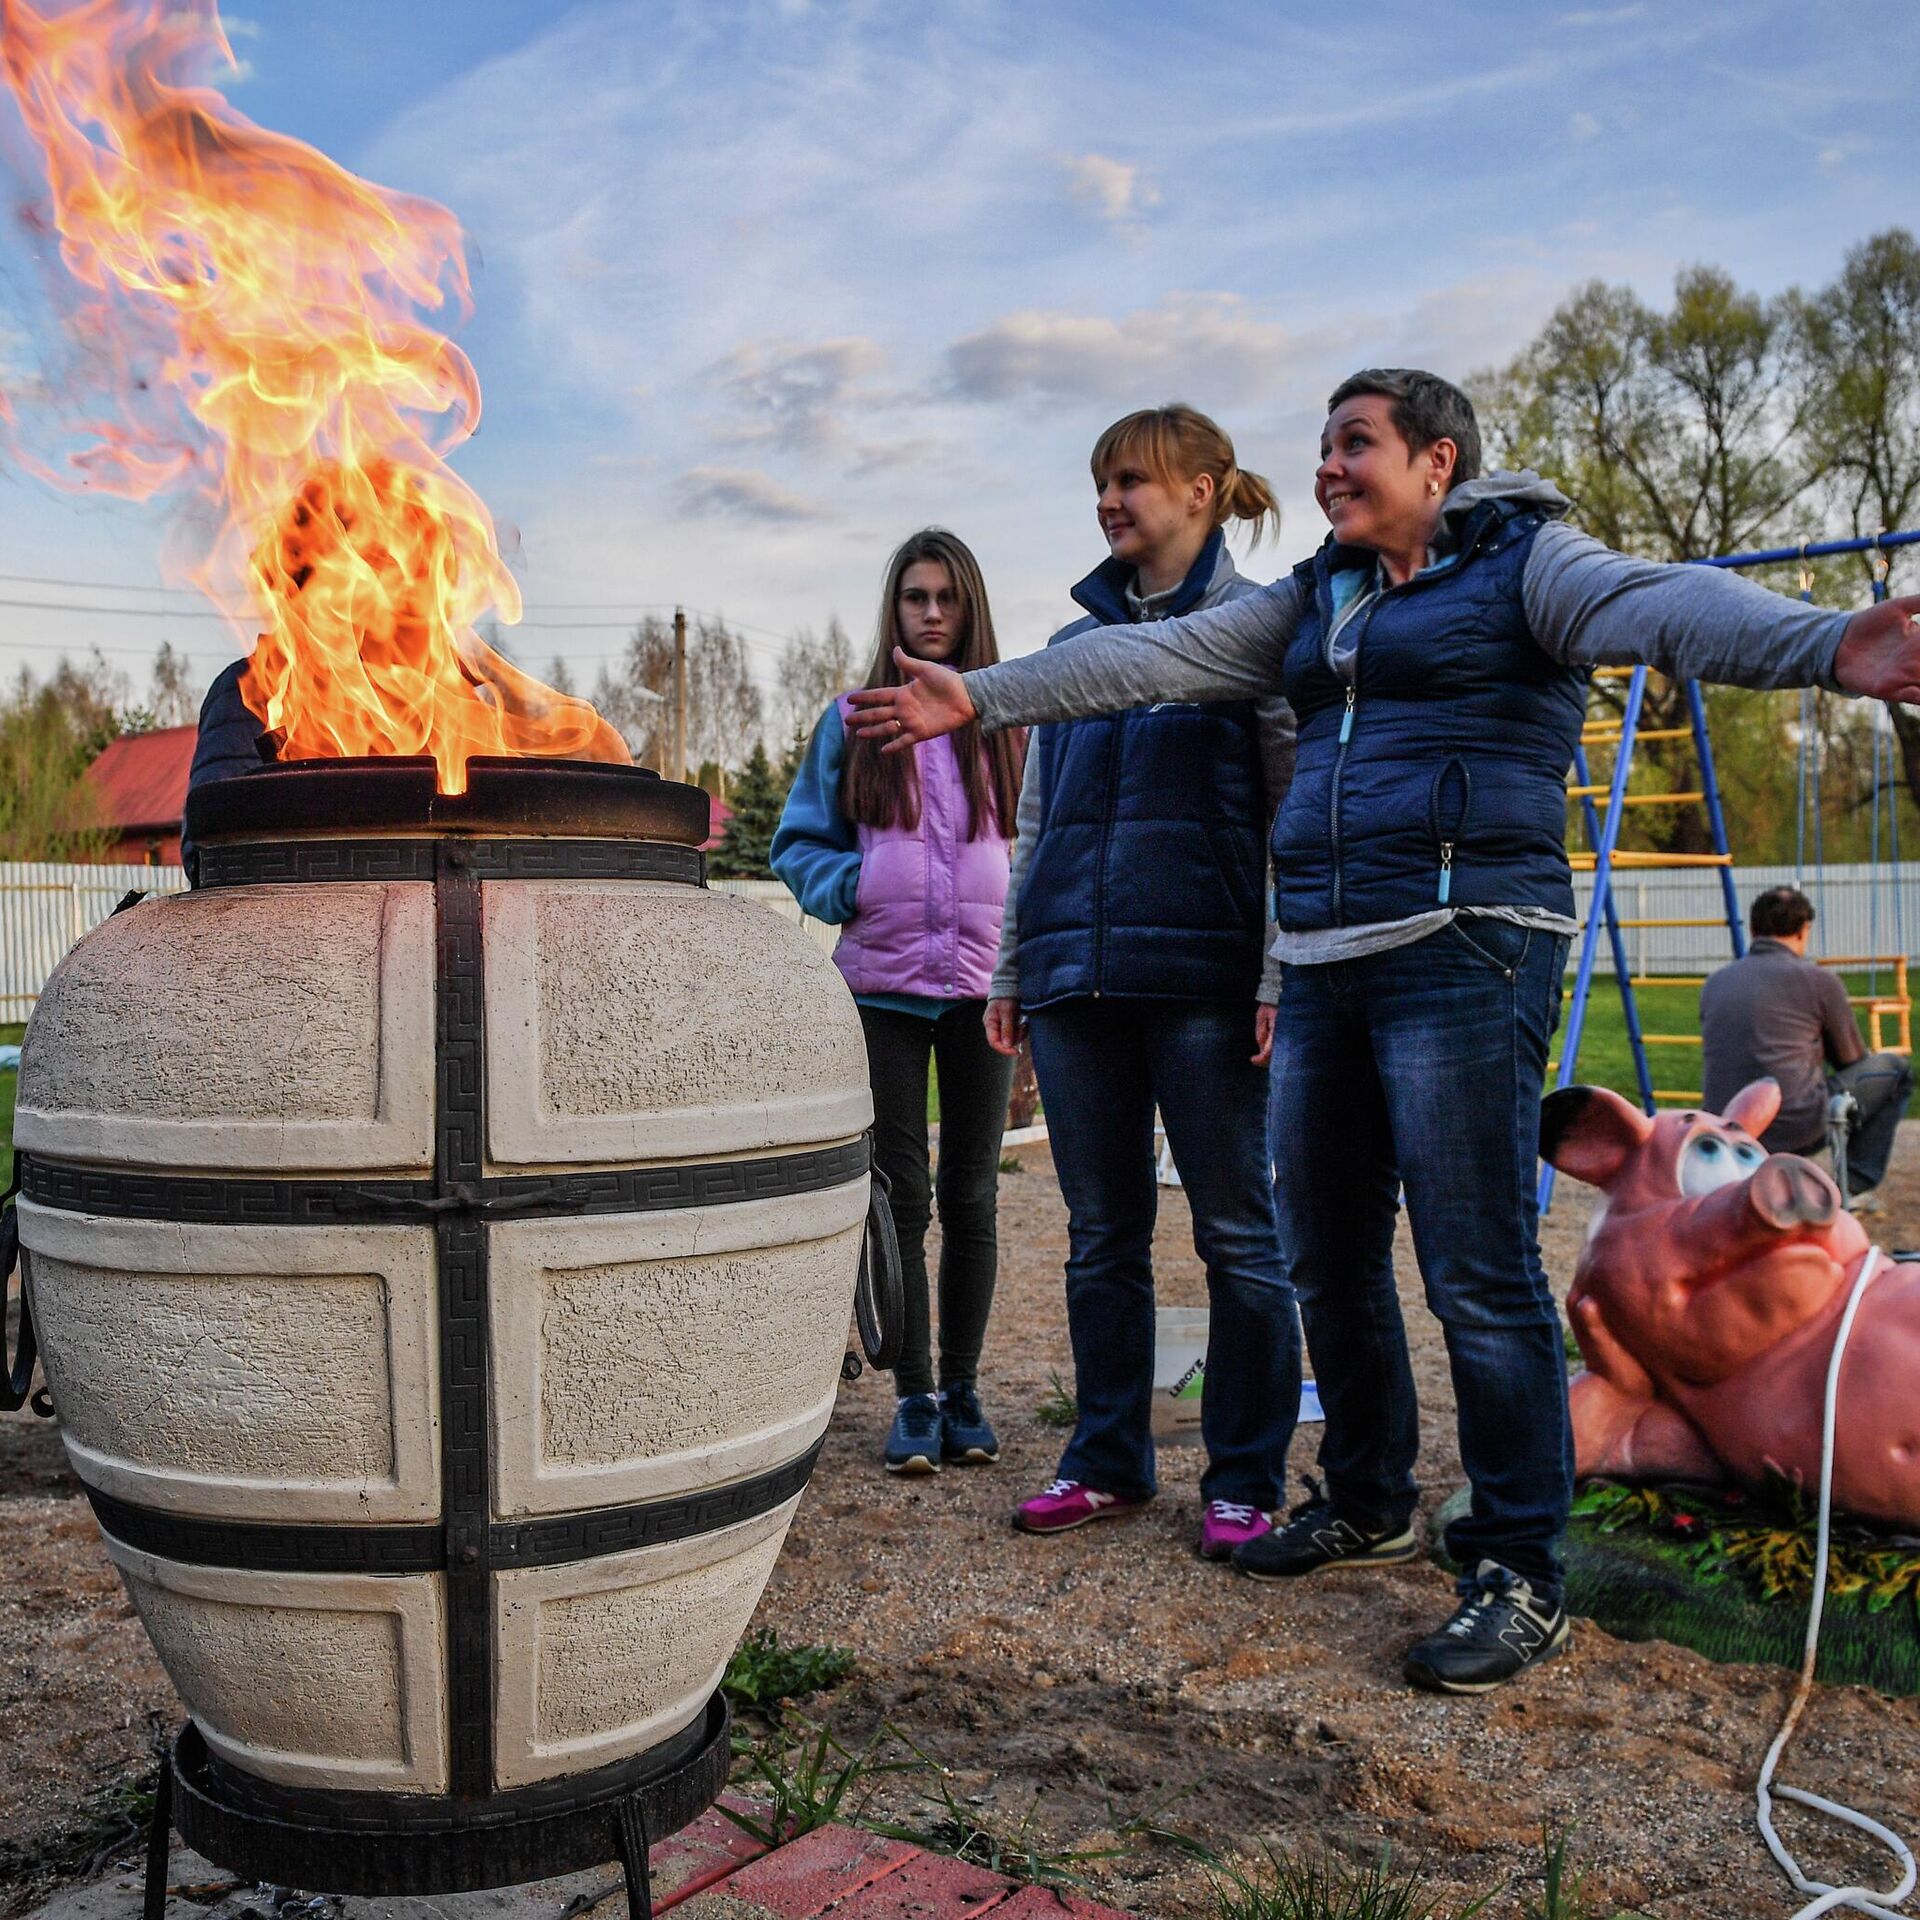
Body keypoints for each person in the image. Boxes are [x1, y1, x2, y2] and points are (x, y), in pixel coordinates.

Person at [845, 367, 1920, 1694]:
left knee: (1474, 1266)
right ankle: (1366, 1497)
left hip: (1467, 946)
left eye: (1356, 446)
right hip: (1329, 957)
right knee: (1328, 1252)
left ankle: (1519, 1567)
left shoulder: (1528, 566)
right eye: (1323, 448)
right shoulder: (1314, 602)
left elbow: (1669, 605)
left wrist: (1828, 641)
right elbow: (1155, 658)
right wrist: (986, 697)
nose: (1330, 470)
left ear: (1438, 461)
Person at [987, 404, 1302, 1563]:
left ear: (1203, 491)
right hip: (1075, 980)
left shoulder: (1252, 642)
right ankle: (1108, 1457)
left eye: (1132, 481)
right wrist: (1018, 966)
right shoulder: (1071, 656)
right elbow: (1035, 825)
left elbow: (1289, 819)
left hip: (1207, 981)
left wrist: (1273, 968)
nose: (1111, 501)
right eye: (1102, 483)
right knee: (1099, 1234)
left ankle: (1244, 1477)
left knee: (1238, 1235)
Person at [772, 529, 1026, 1475]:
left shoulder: (1006, 721)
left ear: (971, 610)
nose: (929, 612)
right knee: (903, 1197)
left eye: (946, 598)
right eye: (914, 597)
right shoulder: (855, 718)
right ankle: (913, 1397)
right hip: (880, 989)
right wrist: (860, 885)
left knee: (973, 1197)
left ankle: (964, 1391)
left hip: (982, 991)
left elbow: (1037, 847)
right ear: (895, 608)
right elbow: (797, 845)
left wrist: (1024, 956)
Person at [1701, 886, 1913, 1209]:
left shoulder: (1715, 983)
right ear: (1804, 931)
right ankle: (1850, 1183)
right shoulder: (1818, 980)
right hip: (1794, 1126)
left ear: (1754, 930)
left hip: (1728, 1127)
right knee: (1895, 1072)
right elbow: (1850, 1060)